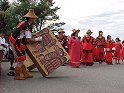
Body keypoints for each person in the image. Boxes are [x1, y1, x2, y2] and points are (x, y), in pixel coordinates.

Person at [9, 9, 42, 80]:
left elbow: (24, 34)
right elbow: (28, 39)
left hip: (17, 40)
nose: (34, 20)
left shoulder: (24, 23)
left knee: (22, 59)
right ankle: (17, 75)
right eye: (34, 18)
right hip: (16, 42)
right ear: (31, 18)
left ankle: (25, 73)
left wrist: (33, 34)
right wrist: (37, 39)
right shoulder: (27, 26)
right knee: (20, 60)